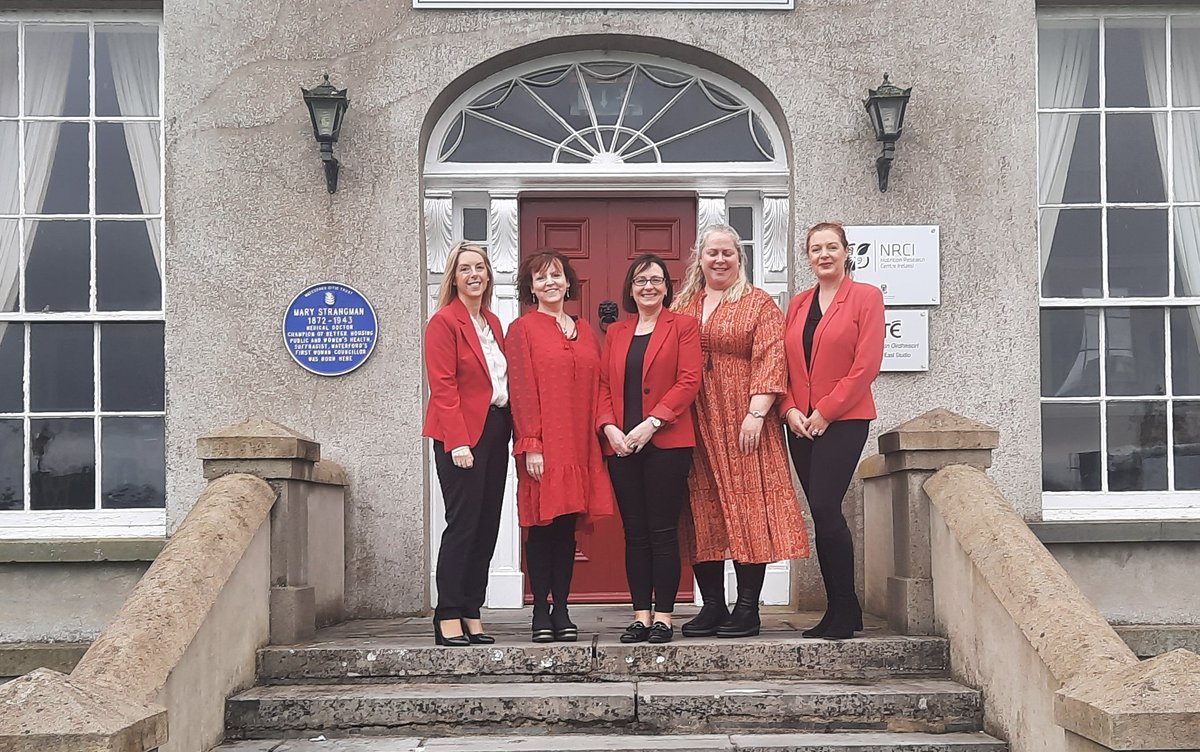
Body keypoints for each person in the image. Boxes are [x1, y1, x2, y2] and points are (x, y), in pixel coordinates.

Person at [673, 224, 810, 639]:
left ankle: (747, 608)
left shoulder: (759, 303)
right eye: (712, 252)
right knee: (703, 509)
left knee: (750, 505)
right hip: (695, 419)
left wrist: (757, 411)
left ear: (739, 258)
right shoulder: (683, 304)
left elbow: (773, 357)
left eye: (727, 253)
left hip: (745, 420)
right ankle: (713, 605)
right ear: (700, 258)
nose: (719, 260)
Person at [506, 249, 616, 643]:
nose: (550, 282)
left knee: (567, 529)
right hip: (544, 445)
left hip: (580, 446)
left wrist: (606, 431)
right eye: (541, 278)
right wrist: (531, 443)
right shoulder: (522, 330)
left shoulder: (585, 330)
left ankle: (563, 608)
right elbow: (520, 390)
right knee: (542, 527)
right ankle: (539, 611)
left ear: (568, 282)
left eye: (556, 275)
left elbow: (601, 384)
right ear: (531, 288)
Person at [782, 222, 884, 640]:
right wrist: (789, 410)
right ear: (808, 257)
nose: (823, 255)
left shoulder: (866, 297)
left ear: (845, 252)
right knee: (821, 515)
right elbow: (783, 365)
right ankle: (843, 608)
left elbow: (866, 365)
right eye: (815, 249)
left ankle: (843, 608)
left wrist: (824, 411)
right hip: (799, 424)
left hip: (843, 420)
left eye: (831, 247)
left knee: (825, 507)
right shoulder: (798, 303)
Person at [597, 254, 702, 645]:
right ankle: (640, 615)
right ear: (630, 287)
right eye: (641, 281)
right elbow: (604, 386)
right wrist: (609, 427)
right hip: (622, 447)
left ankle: (664, 617)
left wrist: (652, 422)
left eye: (656, 280)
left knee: (662, 532)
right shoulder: (617, 333)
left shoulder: (684, 327)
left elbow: (689, 380)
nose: (648, 287)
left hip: (667, 444)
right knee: (634, 533)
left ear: (666, 287)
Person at [423, 241, 511, 647]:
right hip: (460, 436)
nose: (474, 274)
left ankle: (472, 609)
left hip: (495, 430)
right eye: (465, 269)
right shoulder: (443, 322)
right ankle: (448, 613)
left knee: (487, 526)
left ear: (489, 275)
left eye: (480, 267)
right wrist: (458, 442)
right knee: (463, 525)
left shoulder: (492, 322)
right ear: (454, 278)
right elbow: (443, 388)